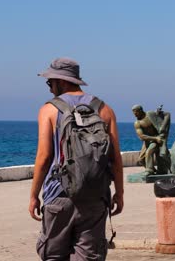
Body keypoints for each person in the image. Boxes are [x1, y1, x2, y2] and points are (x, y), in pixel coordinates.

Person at [29, 57, 124, 260]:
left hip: (59, 195)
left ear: (61, 81)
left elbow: (44, 157)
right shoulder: (105, 110)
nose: (49, 88)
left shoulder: (48, 110)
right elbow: (115, 158)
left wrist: (33, 195)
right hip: (95, 196)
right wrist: (119, 193)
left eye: (50, 83)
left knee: (53, 256)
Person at [132, 105, 171, 175]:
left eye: (136, 113)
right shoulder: (137, 123)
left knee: (149, 151)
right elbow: (141, 137)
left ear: (140, 110)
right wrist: (155, 138)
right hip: (149, 140)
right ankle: (154, 170)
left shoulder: (150, 114)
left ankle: (149, 170)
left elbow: (167, 115)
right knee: (141, 160)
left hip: (156, 140)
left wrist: (160, 114)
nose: (135, 115)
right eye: (134, 113)